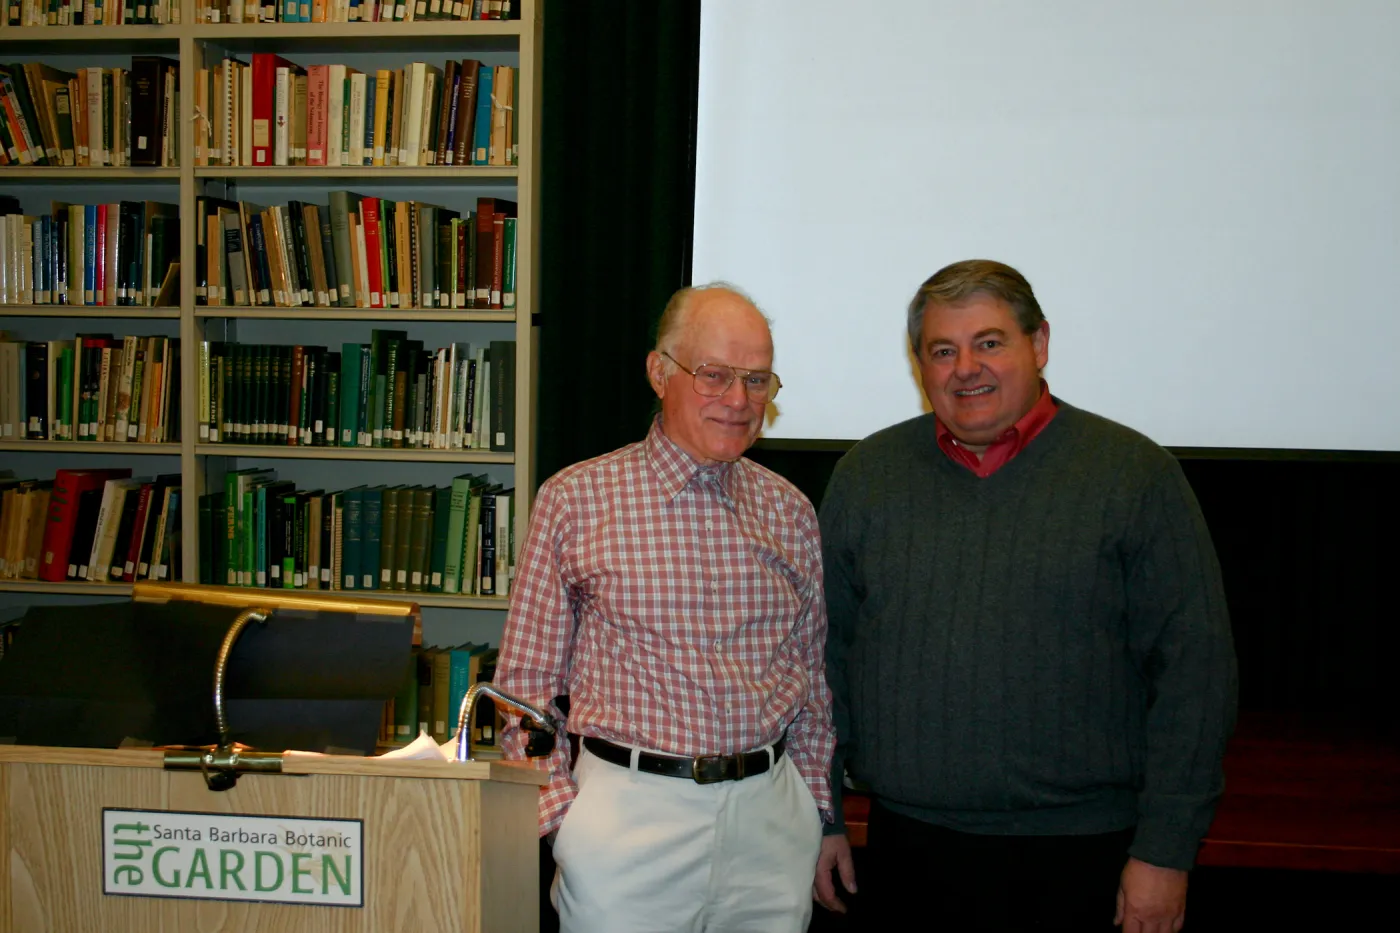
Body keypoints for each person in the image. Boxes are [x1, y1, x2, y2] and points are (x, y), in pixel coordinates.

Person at [815, 259, 1237, 932]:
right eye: (942, 350)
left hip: (1085, 855)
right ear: (919, 364)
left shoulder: (1134, 474)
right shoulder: (867, 476)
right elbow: (822, 661)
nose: (966, 368)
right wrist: (823, 814)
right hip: (907, 850)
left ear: (1038, 345)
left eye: (989, 342)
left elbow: (1196, 673)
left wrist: (1165, 848)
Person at [493, 283, 836, 933]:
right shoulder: (576, 499)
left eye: (757, 379)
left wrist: (812, 805)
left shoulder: (790, 510)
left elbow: (811, 684)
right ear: (660, 372)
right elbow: (524, 691)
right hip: (625, 822)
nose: (739, 400)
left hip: (769, 825)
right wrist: (565, 820)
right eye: (714, 375)